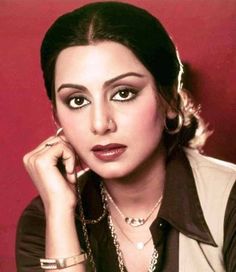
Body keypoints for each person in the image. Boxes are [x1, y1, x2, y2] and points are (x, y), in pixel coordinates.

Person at [15, 2, 236, 272]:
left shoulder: (230, 200)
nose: (100, 124)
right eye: (77, 100)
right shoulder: (45, 218)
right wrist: (60, 214)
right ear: (57, 116)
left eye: (123, 93)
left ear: (170, 100)